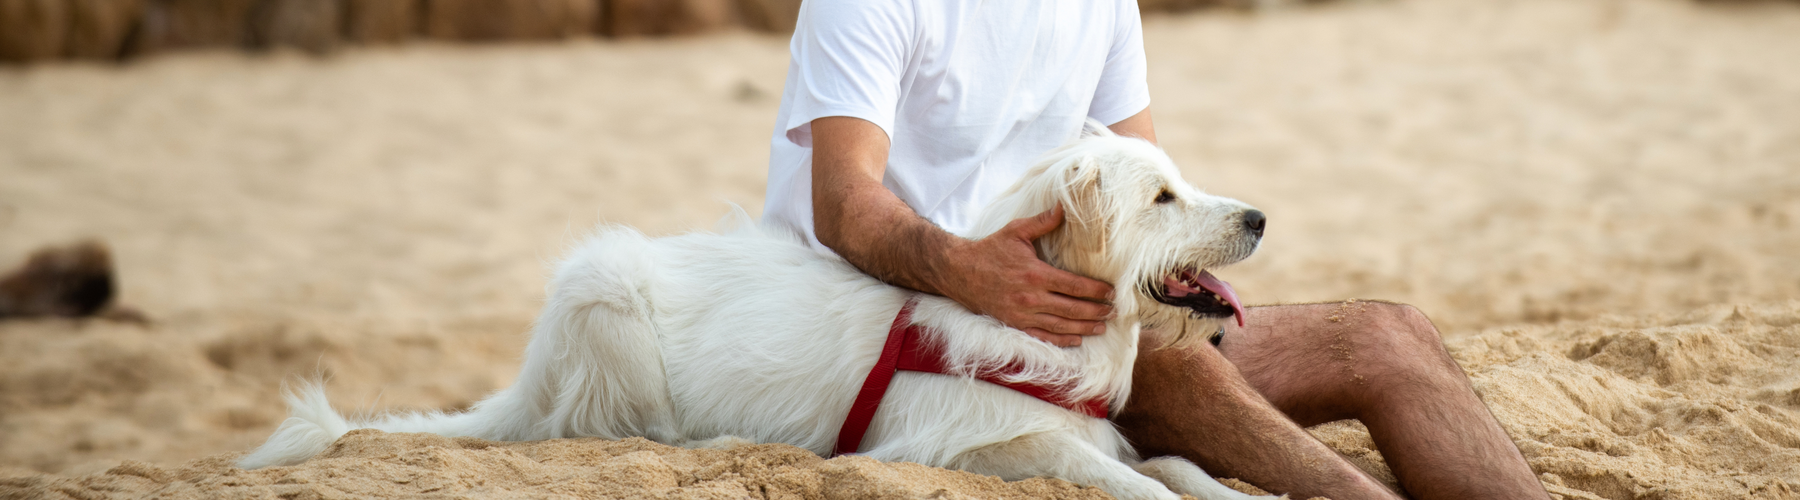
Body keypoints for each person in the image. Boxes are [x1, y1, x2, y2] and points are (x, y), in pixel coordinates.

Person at [760, 1, 1549, 499]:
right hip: (898, 332)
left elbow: (1146, 192)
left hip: (1079, 323)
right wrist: (971, 271)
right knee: (1163, 354)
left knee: (1387, 336)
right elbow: (844, 205)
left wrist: (1182, 287)